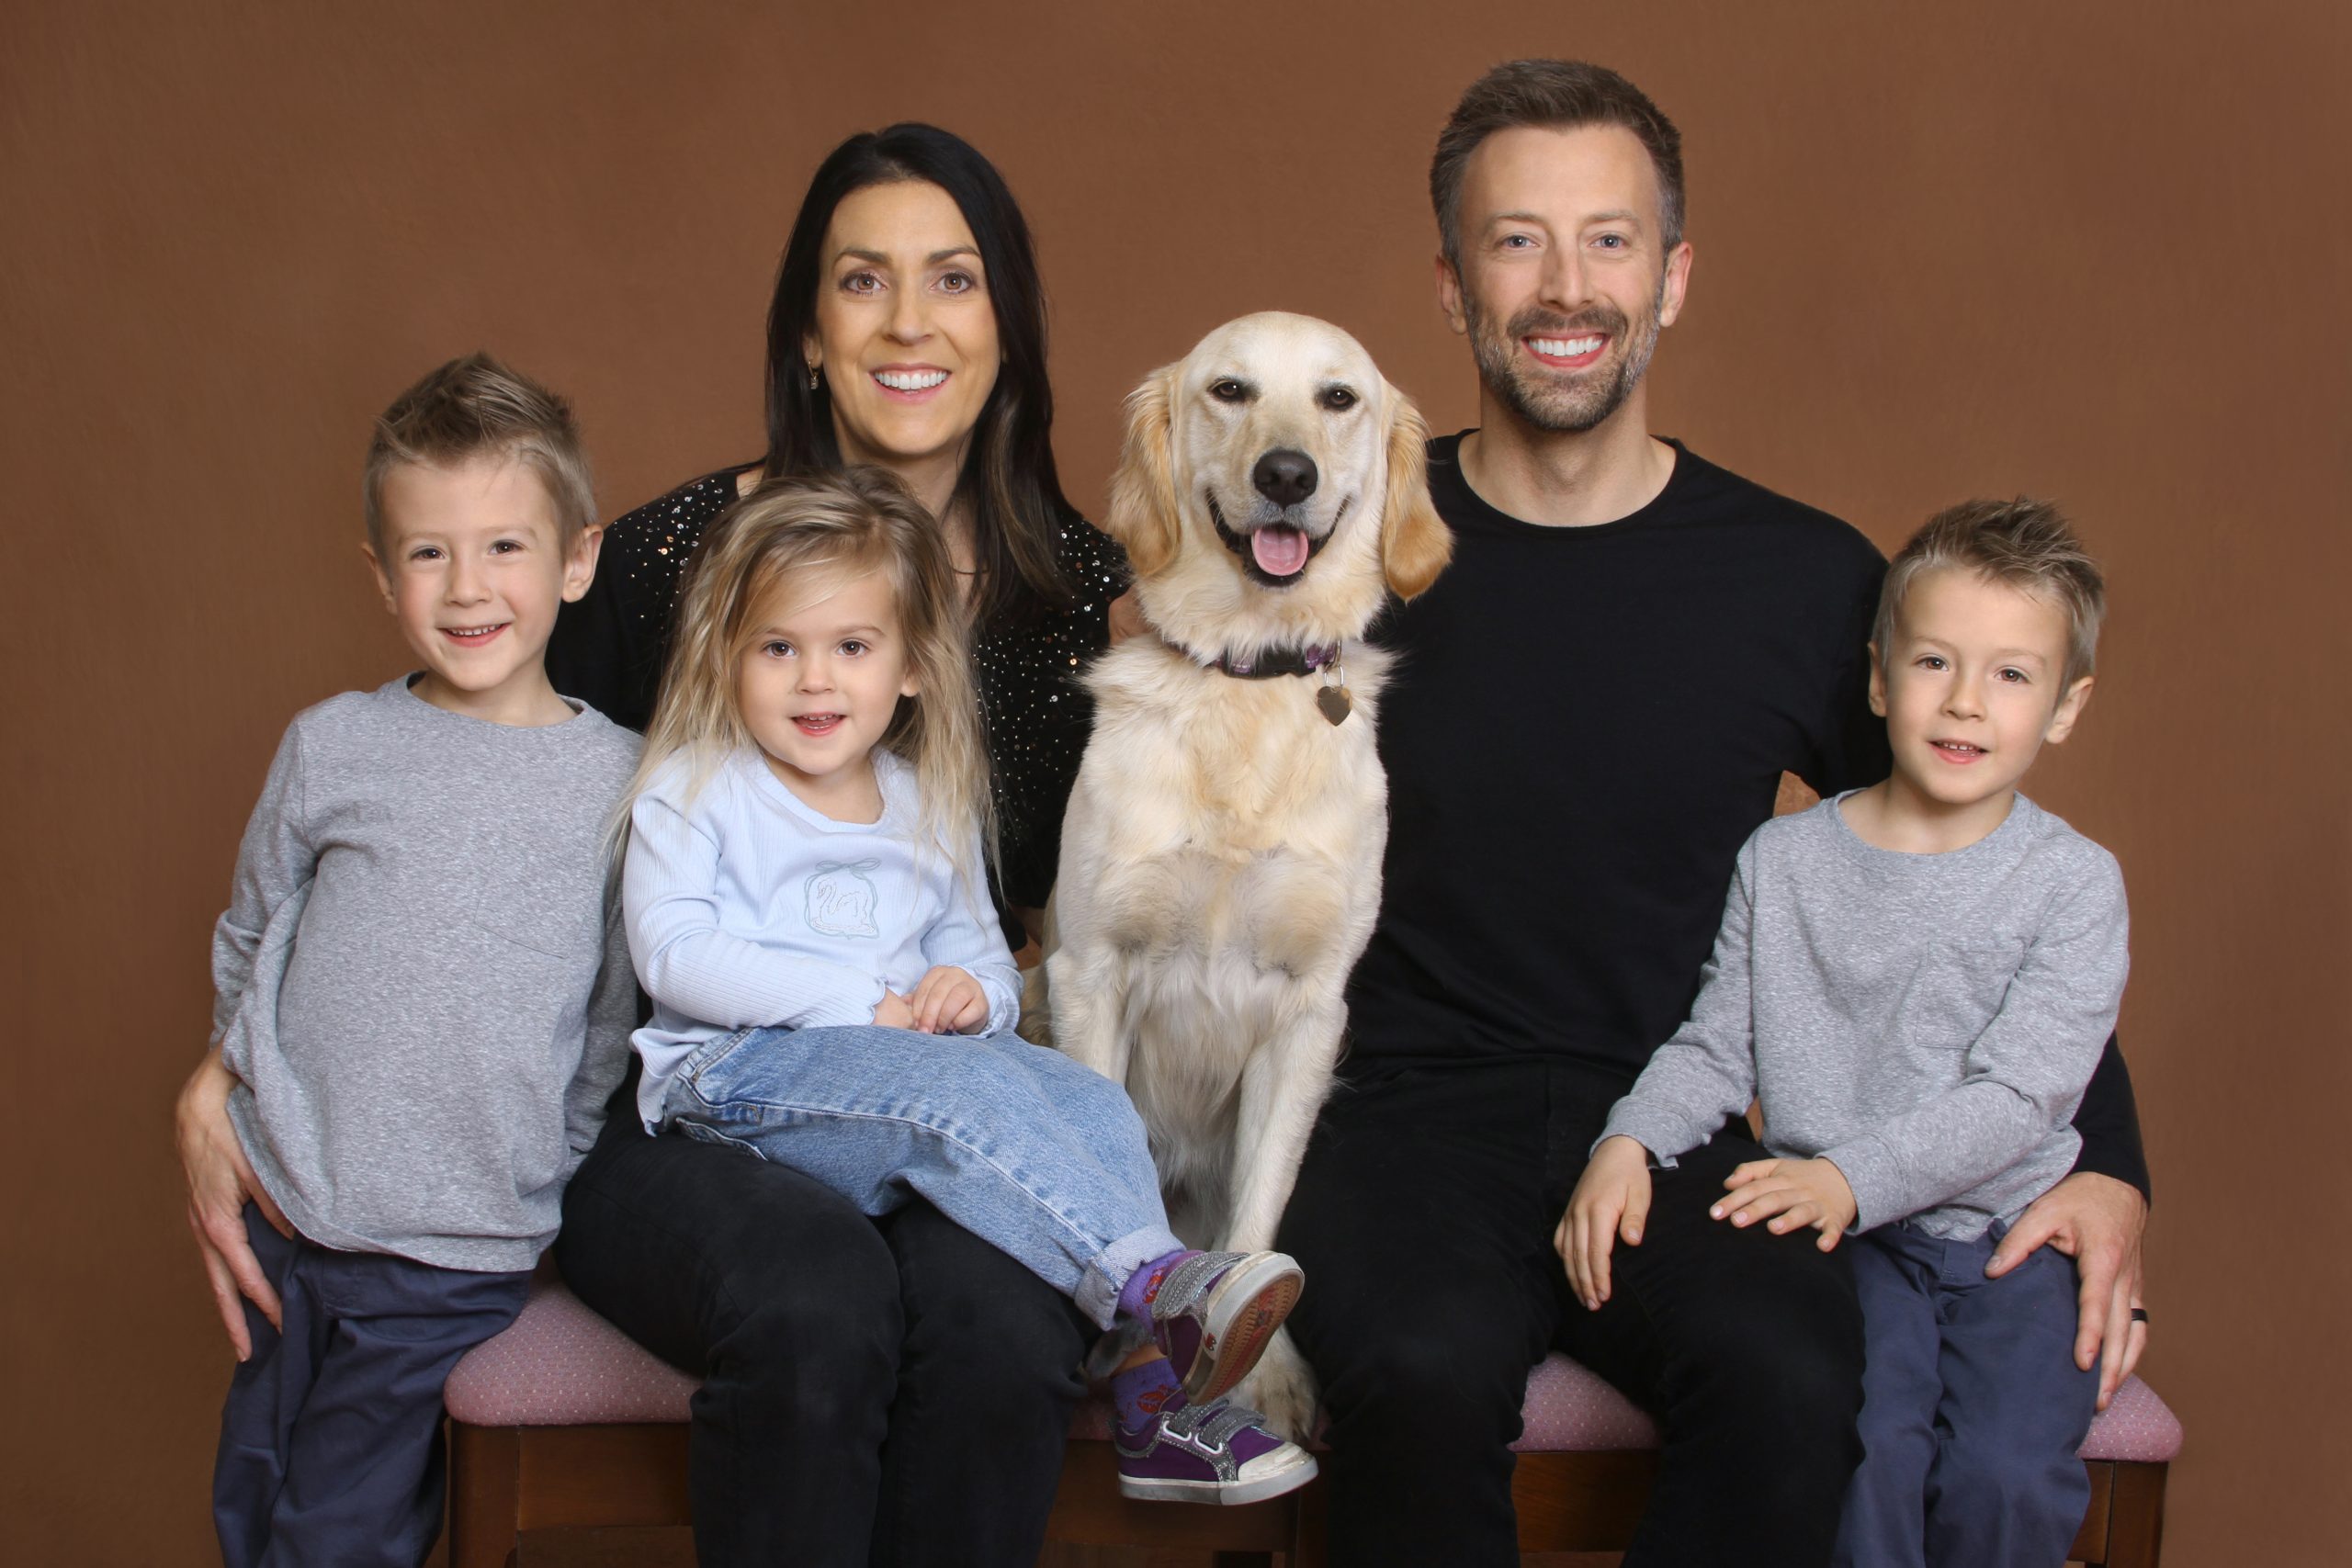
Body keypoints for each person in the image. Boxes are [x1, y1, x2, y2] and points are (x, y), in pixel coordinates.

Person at [1272, 60, 2154, 1566]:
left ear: (1673, 278)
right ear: (1449, 282)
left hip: (1682, 1115)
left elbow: (1981, 854)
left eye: (1610, 240)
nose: (1567, 286)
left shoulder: (1803, 581)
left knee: (1800, 1369)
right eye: (1517, 240)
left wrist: (2108, 1164)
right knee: (1419, 1370)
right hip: (1391, 1122)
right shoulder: (1334, 552)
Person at [547, 124, 1127, 1565]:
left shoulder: (1082, 594)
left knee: (1004, 1325)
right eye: (863, 281)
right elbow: (488, 784)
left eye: (955, 280)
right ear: (810, 332)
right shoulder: (674, 554)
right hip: (687, 1093)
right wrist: (249, 1045)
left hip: (928, 1080)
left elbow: (1088, 906)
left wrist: (976, 1002)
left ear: (1008, 328)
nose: (910, 322)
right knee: (816, 1300)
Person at [613, 467, 1314, 1505]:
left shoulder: (921, 799)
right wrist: (857, 1002)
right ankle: (1158, 1286)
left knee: (1084, 1097)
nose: (816, 681)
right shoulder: (698, 786)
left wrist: (973, 998)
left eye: (851, 648)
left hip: (895, 1088)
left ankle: (1149, 1396)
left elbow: (984, 954)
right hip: (737, 1081)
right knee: (957, 1092)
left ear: (910, 668)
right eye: (778, 648)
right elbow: (671, 952)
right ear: (727, 659)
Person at [1569, 499, 2124, 1568]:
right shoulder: (1782, 863)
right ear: (1878, 679)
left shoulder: (2073, 885)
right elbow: (1713, 1046)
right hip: (1842, 1244)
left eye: (2012, 674)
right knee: (1860, 1451)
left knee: (2003, 1478)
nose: (1965, 702)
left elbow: (2024, 1098)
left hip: (2007, 1243)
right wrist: (1628, 1140)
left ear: (2064, 705)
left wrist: (1851, 1177)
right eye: (1933, 662)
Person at [199, 354, 639, 1567]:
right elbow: (254, 928)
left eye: (504, 545)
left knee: (344, 1525)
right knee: (254, 1493)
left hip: (451, 1243)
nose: (467, 586)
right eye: (429, 551)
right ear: (383, 573)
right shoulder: (333, 745)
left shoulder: (620, 782)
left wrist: (547, 1160)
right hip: (289, 1209)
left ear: (576, 558)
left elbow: (609, 1012)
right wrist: (242, 1100)